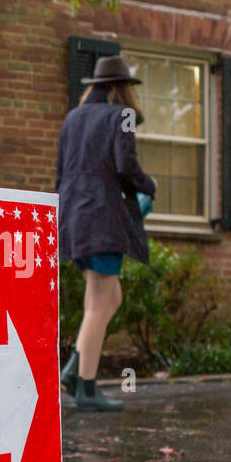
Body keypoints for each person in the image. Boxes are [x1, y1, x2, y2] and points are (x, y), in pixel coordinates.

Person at [57, 54, 157, 412]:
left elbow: (61, 173)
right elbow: (125, 166)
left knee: (105, 299)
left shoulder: (73, 118)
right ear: (119, 88)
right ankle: (85, 387)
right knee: (101, 304)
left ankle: (74, 370)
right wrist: (150, 185)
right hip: (103, 218)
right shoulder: (121, 116)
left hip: (72, 218)